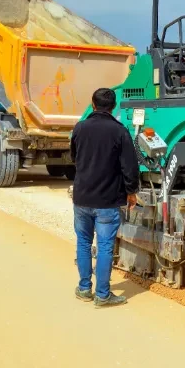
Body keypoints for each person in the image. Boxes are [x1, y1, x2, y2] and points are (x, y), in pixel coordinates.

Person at [70, 87, 139, 306]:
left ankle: (84, 288)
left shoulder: (79, 128)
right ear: (114, 107)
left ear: (93, 104)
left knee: (83, 242)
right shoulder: (120, 131)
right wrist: (131, 192)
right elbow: (130, 167)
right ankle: (102, 295)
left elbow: (74, 156)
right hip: (107, 201)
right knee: (105, 246)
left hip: (82, 198)